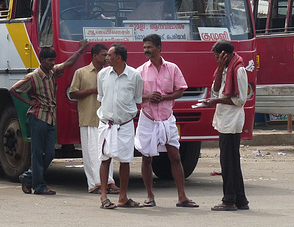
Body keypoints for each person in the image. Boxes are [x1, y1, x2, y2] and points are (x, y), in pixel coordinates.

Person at [10, 39, 89, 195]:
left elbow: (67, 64)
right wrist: (28, 102)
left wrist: (80, 50)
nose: (52, 63)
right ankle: (39, 186)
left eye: (53, 60)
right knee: (37, 153)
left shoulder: (53, 72)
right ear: (42, 60)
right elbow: (13, 90)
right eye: (49, 60)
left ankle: (28, 177)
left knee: (50, 153)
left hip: (50, 118)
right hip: (37, 116)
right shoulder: (32, 77)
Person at [135, 34, 198, 208]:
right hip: (147, 118)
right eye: (144, 47)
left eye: (149, 47)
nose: (146, 50)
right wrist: (148, 96)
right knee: (146, 158)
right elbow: (133, 95)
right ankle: (149, 196)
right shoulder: (140, 71)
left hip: (167, 118)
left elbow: (180, 91)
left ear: (159, 48)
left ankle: (182, 197)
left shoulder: (172, 68)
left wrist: (164, 98)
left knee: (175, 156)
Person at [201, 40, 249, 211]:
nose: (216, 59)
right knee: (231, 161)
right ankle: (240, 199)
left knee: (229, 162)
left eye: (217, 56)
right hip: (224, 120)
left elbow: (240, 100)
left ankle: (229, 199)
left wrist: (216, 101)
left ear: (225, 55)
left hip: (232, 121)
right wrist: (220, 68)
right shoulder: (224, 69)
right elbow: (215, 89)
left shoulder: (239, 70)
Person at [97, 43, 144, 209]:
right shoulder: (102, 74)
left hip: (125, 125)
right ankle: (103, 197)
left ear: (119, 58)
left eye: (109, 55)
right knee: (105, 158)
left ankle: (122, 197)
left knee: (125, 160)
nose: (106, 58)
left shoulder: (135, 75)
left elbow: (137, 99)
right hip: (106, 123)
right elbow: (101, 97)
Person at [69, 43, 119, 194]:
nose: (106, 58)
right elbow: (72, 94)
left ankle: (109, 181)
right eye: (104, 55)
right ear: (95, 56)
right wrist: (92, 91)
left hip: (106, 118)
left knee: (107, 151)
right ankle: (94, 184)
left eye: (108, 55)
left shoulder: (110, 73)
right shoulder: (81, 72)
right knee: (91, 152)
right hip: (88, 117)